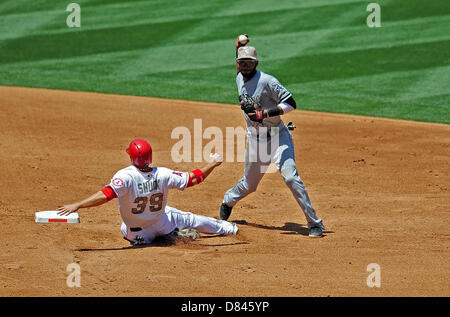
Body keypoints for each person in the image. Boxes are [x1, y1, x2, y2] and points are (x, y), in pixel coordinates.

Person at [219, 35, 325, 238]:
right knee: (249, 185)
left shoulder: (268, 81)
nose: (245, 66)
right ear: (238, 65)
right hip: (255, 141)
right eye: (242, 63)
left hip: (278, 138)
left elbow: (291, 103)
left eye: (250, 63)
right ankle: (228, 200)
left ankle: (314, 223)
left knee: (291, 178)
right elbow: (239, 61)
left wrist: (265, 113)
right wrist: (238, 47)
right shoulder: (239, 77)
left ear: (256, 63)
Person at [57, 139, 238, 245]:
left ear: (131, 157)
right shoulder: (163, 173)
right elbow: (193, 179)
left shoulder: (125, 176)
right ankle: (228, 228)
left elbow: (105, 195)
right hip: (162, 222)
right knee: (190, 219)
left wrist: (78, 204)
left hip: (138, 234)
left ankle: (165, 238)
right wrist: (213, 164)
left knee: (123, 227)